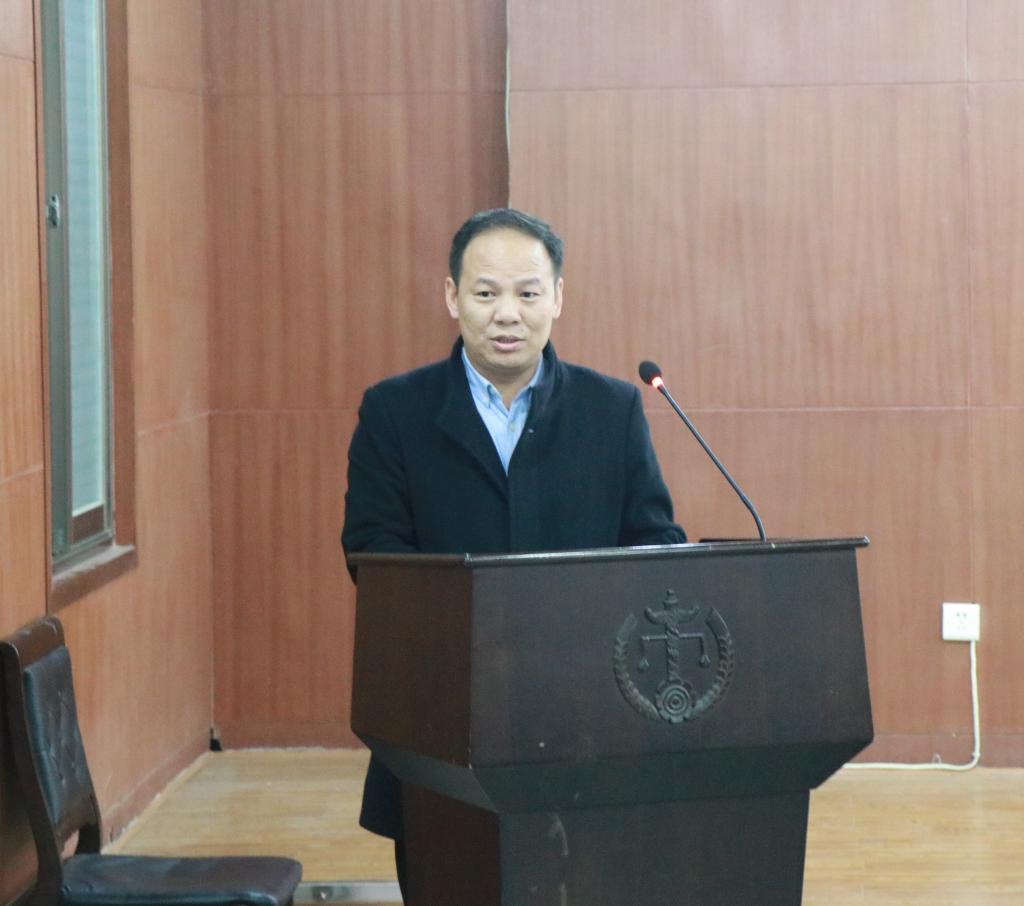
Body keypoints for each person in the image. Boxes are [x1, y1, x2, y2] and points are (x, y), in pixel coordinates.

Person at [341, 207, 685, 897]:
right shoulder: (395, 411)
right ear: (452, 297)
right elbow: (373, 554)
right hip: (442, 723)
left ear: (557, 298)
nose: (507, 313)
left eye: (528, 293)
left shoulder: (612, 410)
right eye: (485, 292)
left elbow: (655, 544)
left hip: (587, 717)